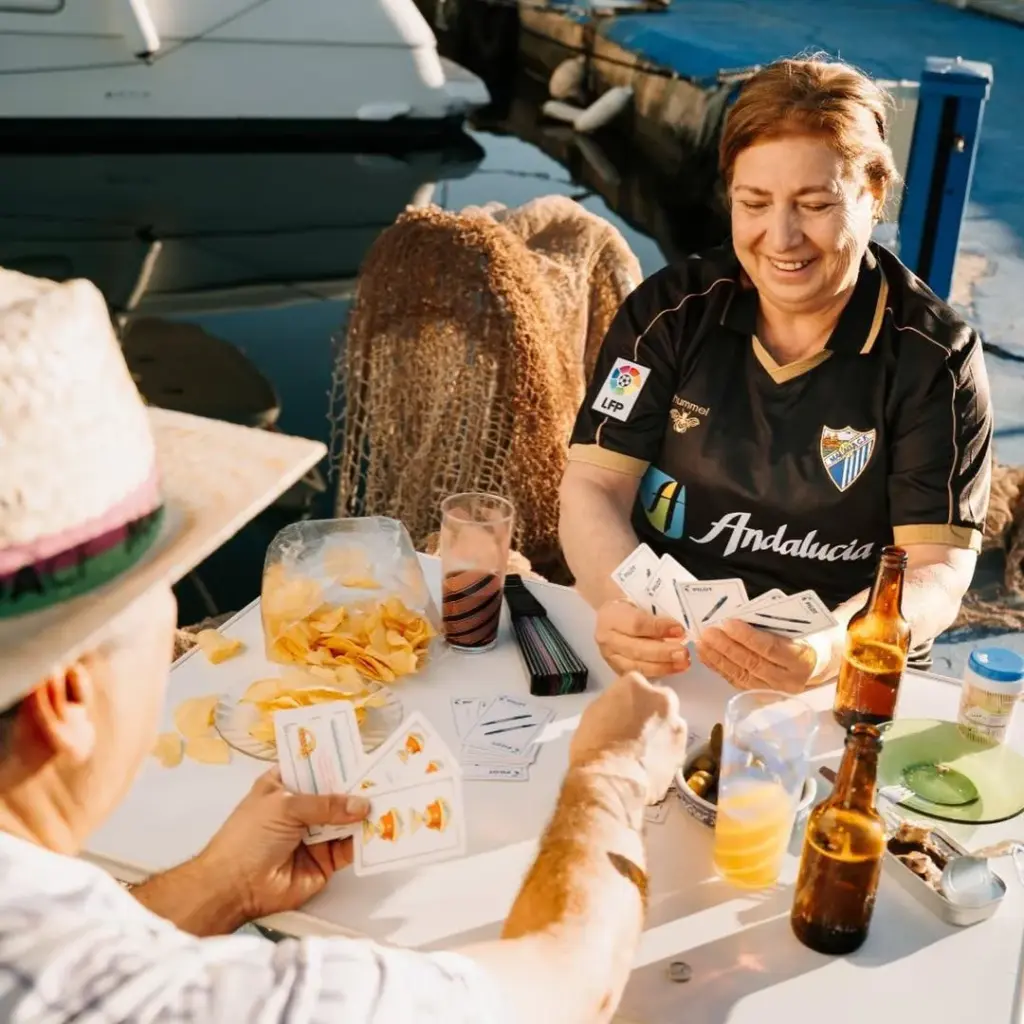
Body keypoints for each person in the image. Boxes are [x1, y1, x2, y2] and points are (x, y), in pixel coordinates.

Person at [0, 268, 689, 1023]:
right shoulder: (248, 1003)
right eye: (159, 594)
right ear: (65, 696)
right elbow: (564, 986)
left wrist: (222, 884)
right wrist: (609, 777)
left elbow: (93, 970)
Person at [560, 56, 993, 693]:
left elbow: (939, 569)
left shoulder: (934, 358)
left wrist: (834, 648)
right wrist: (619, 604)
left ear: (874, 195)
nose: (781, 238)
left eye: (815, 204)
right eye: (754, 203)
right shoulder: (669, 314)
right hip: (670, 649)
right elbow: (594, 487)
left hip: (838, 664)